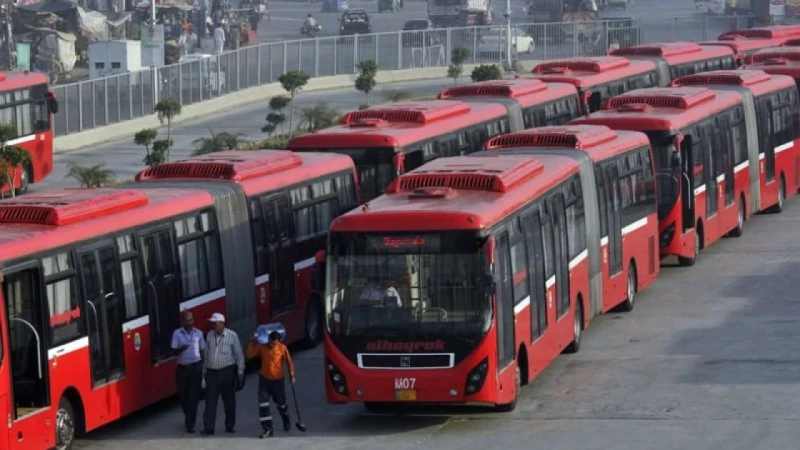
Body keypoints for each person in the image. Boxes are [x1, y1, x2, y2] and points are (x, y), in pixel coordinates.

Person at [246, 330, 296, 438]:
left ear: (278, 342)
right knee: (263, 405)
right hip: (264, 380)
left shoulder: (282, 348)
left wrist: (292, 375)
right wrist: (251, 342)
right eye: (270, 342)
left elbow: (289, 362)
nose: (272, 345)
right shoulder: (262, 347)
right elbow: (249, 355)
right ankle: (267, 429)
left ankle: (286, 419)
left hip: (278, 381)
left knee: (281, 404)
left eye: (274, 343)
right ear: (268, 339)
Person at [202, 313, 244, 435]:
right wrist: (204, 373)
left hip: (227, 372)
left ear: (222, 323)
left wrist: (240, 372)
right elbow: (206, 354)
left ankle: (230, 426)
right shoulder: (209, 335)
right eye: (212, 323)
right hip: (212, 373)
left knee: (229, 401)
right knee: (210, 402)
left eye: (215, 323)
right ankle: (209, 428)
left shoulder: (232, 335)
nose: (213, 325)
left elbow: (239, 355)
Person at [171, 311, 206, 433]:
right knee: (183, 397)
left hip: (196, 367)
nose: (190, 322)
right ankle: (188, 415)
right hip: (182, 369)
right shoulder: (177, 333)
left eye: (191, 320)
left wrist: (203, 367)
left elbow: (202, 350)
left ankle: (190, 424)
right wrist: (181, 349)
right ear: (182, 322)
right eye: (187, 320)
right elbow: (173, 352)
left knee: (193, 397)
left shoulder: (199, 333)